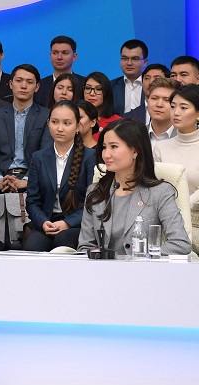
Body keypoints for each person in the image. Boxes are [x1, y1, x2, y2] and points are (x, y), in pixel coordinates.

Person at [79, 119, 191, 256]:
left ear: (135, 151)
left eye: (113, 146)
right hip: (102, 268)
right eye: (104, 147)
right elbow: (85, 246)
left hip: (143, 267)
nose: (106, 154)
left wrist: (141, 257)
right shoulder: (95, 192)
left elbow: (180, 244)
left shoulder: (160, 192)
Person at [24, 101, 96, 251]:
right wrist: (43, 222)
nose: (60, 128)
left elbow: (92, 203)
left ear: (78, 127)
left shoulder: (90, 157)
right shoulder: (39, 157)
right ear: (48, 123)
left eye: (67, 123)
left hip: (77, 224)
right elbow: (32, 201)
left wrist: (67, 223)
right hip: (48, 222)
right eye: (55, 122)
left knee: (63, 240)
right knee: (33, 245)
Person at [0, 64, 53, 193]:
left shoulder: (46, 116)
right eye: (19, 80)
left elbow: (45, 152)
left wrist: (27, 180)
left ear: (37, 87)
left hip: (34, 179)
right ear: (11, 84)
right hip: (2, 179)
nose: (23, 86)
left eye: (29, 82)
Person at [153, 84, 199, 252]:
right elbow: (154, 186)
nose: (176, 112)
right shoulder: (161, 147)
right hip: (166, 222)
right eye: (173, 107)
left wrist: (180, 208)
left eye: (183, 108)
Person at [35, 36, 85, 106]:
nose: (59, 57)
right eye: (55, 53)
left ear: (74, 57)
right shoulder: (39, 87)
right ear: (50, 55)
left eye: (65, 53)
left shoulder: (84, 85)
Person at [111, 39, 148, 115]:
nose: (129, 63)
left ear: (145, 62)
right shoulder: (110, 86)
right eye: (125, 59)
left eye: (135, 59)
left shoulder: (153, 86)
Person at [84, 71, 122, 140]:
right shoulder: (75, 118)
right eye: (88, 88)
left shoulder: (117, 122)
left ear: (106, 92)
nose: (92, 93)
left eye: (98, 89)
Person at [145, 77, 181, 145]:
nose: (159, 105)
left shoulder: (187, 138)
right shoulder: (135, 135)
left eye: (167, 100)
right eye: (154, 98)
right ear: (147, 100)